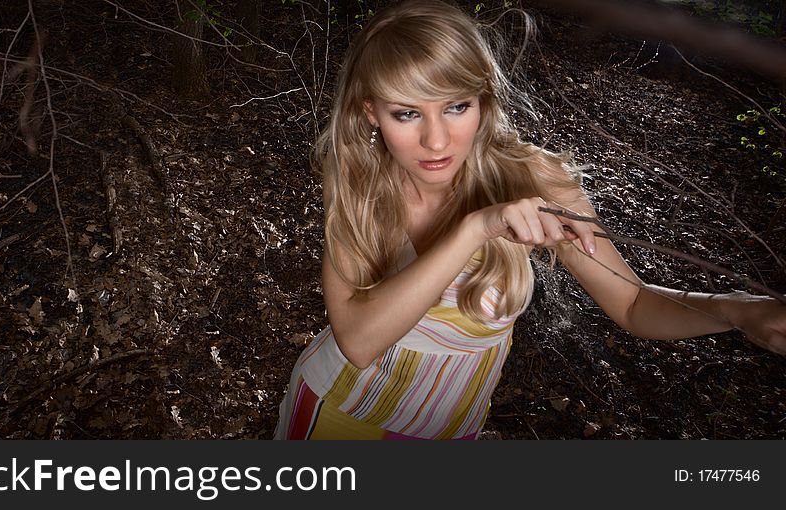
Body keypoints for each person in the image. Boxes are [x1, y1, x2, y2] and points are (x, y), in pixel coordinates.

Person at [274, 0, 786, 440]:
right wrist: (477, 227)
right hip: (333, 415)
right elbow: (359, 342)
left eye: (456, 107)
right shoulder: (360, 180)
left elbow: (632, 305)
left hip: (449, 431)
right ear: (370, 113)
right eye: (406, 113)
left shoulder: (537, 182)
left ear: (483, 102)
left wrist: (733, 311)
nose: (436, 140)